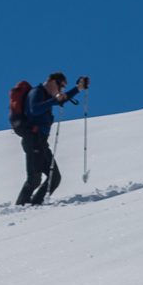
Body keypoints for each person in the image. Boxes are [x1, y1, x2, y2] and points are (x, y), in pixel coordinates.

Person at [16, 72, 89, 206]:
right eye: (61, 86)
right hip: (32, 140)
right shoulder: (36, 92)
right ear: (52, 82)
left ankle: (35, 204)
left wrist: (79, 88)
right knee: (34, 180)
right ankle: (19, 209)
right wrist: (55, 100)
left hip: (41, 142)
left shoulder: (47, 96)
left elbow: (63, 98)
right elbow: (34, 109)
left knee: (54, 178)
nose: (61, 90)